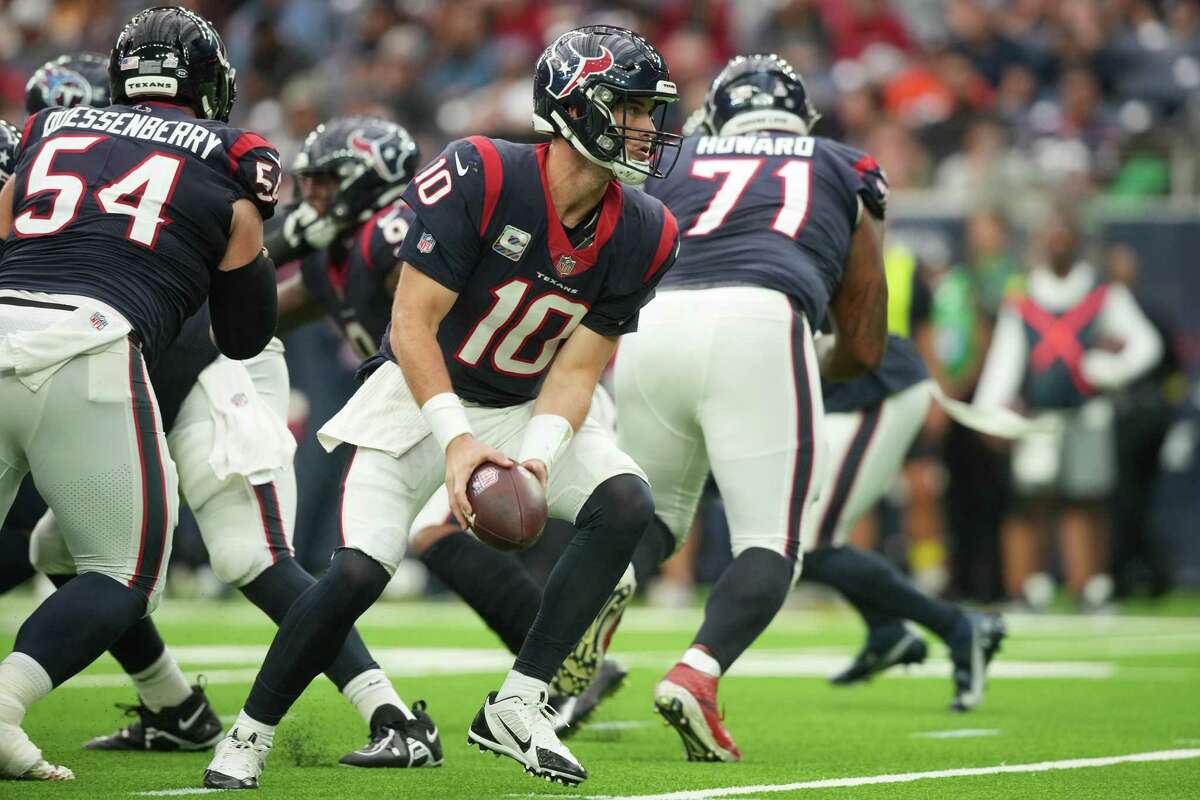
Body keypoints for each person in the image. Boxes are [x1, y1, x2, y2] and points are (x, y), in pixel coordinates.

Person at [203, 24, 681, 789]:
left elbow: (579, 369)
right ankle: (249, 733)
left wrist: (533, 460)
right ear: (570, 106)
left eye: (651, 110)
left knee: (625, 500)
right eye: (628, 107)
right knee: (359, 572)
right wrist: (459, 444)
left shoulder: (648, 231)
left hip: (526, 402)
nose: (648, 127)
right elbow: (411, 325)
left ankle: (519, 705)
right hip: (417, 399)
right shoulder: (485, 172)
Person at [21, 97, 440, 767]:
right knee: (64, 552)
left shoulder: (155, 168)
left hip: (220, 362)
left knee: (249, 552)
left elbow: (251, 303)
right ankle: (175, 707)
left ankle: (391, 714)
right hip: (142, 367)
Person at [0, 7, 278, 781]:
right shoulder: (233, 157)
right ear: (206, 84)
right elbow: (246, 334)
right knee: (124, 574)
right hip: (90, 345)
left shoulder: (48, 133)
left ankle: (170, 704)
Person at [620, 53, 889, 762]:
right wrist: (806, 366)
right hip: (763, 318)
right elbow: (863, 344)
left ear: (716, 116)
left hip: (650, 326)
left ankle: (554, 673)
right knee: (773, 540)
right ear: (803, 119)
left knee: (648, 521)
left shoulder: (674, 161)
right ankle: (697, 674)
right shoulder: (842, 163)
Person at [801, 240, 1006, 712]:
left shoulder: (858, 246)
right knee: (798, 535)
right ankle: (887, 629)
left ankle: (959, 628)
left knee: (812, 540)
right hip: (833, 390)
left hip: (878, 385)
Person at [975, 210, 1163, 608]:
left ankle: (1090, 585)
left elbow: (1147, 344)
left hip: (1087, 412)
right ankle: (1030, 585)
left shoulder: (1102, 293)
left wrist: (1111, 370)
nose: (1057, 245)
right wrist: (990, 410)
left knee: (1087, 498)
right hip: (1039, 418)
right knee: (1031, 500)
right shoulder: (1023, 298)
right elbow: (1004, 360)